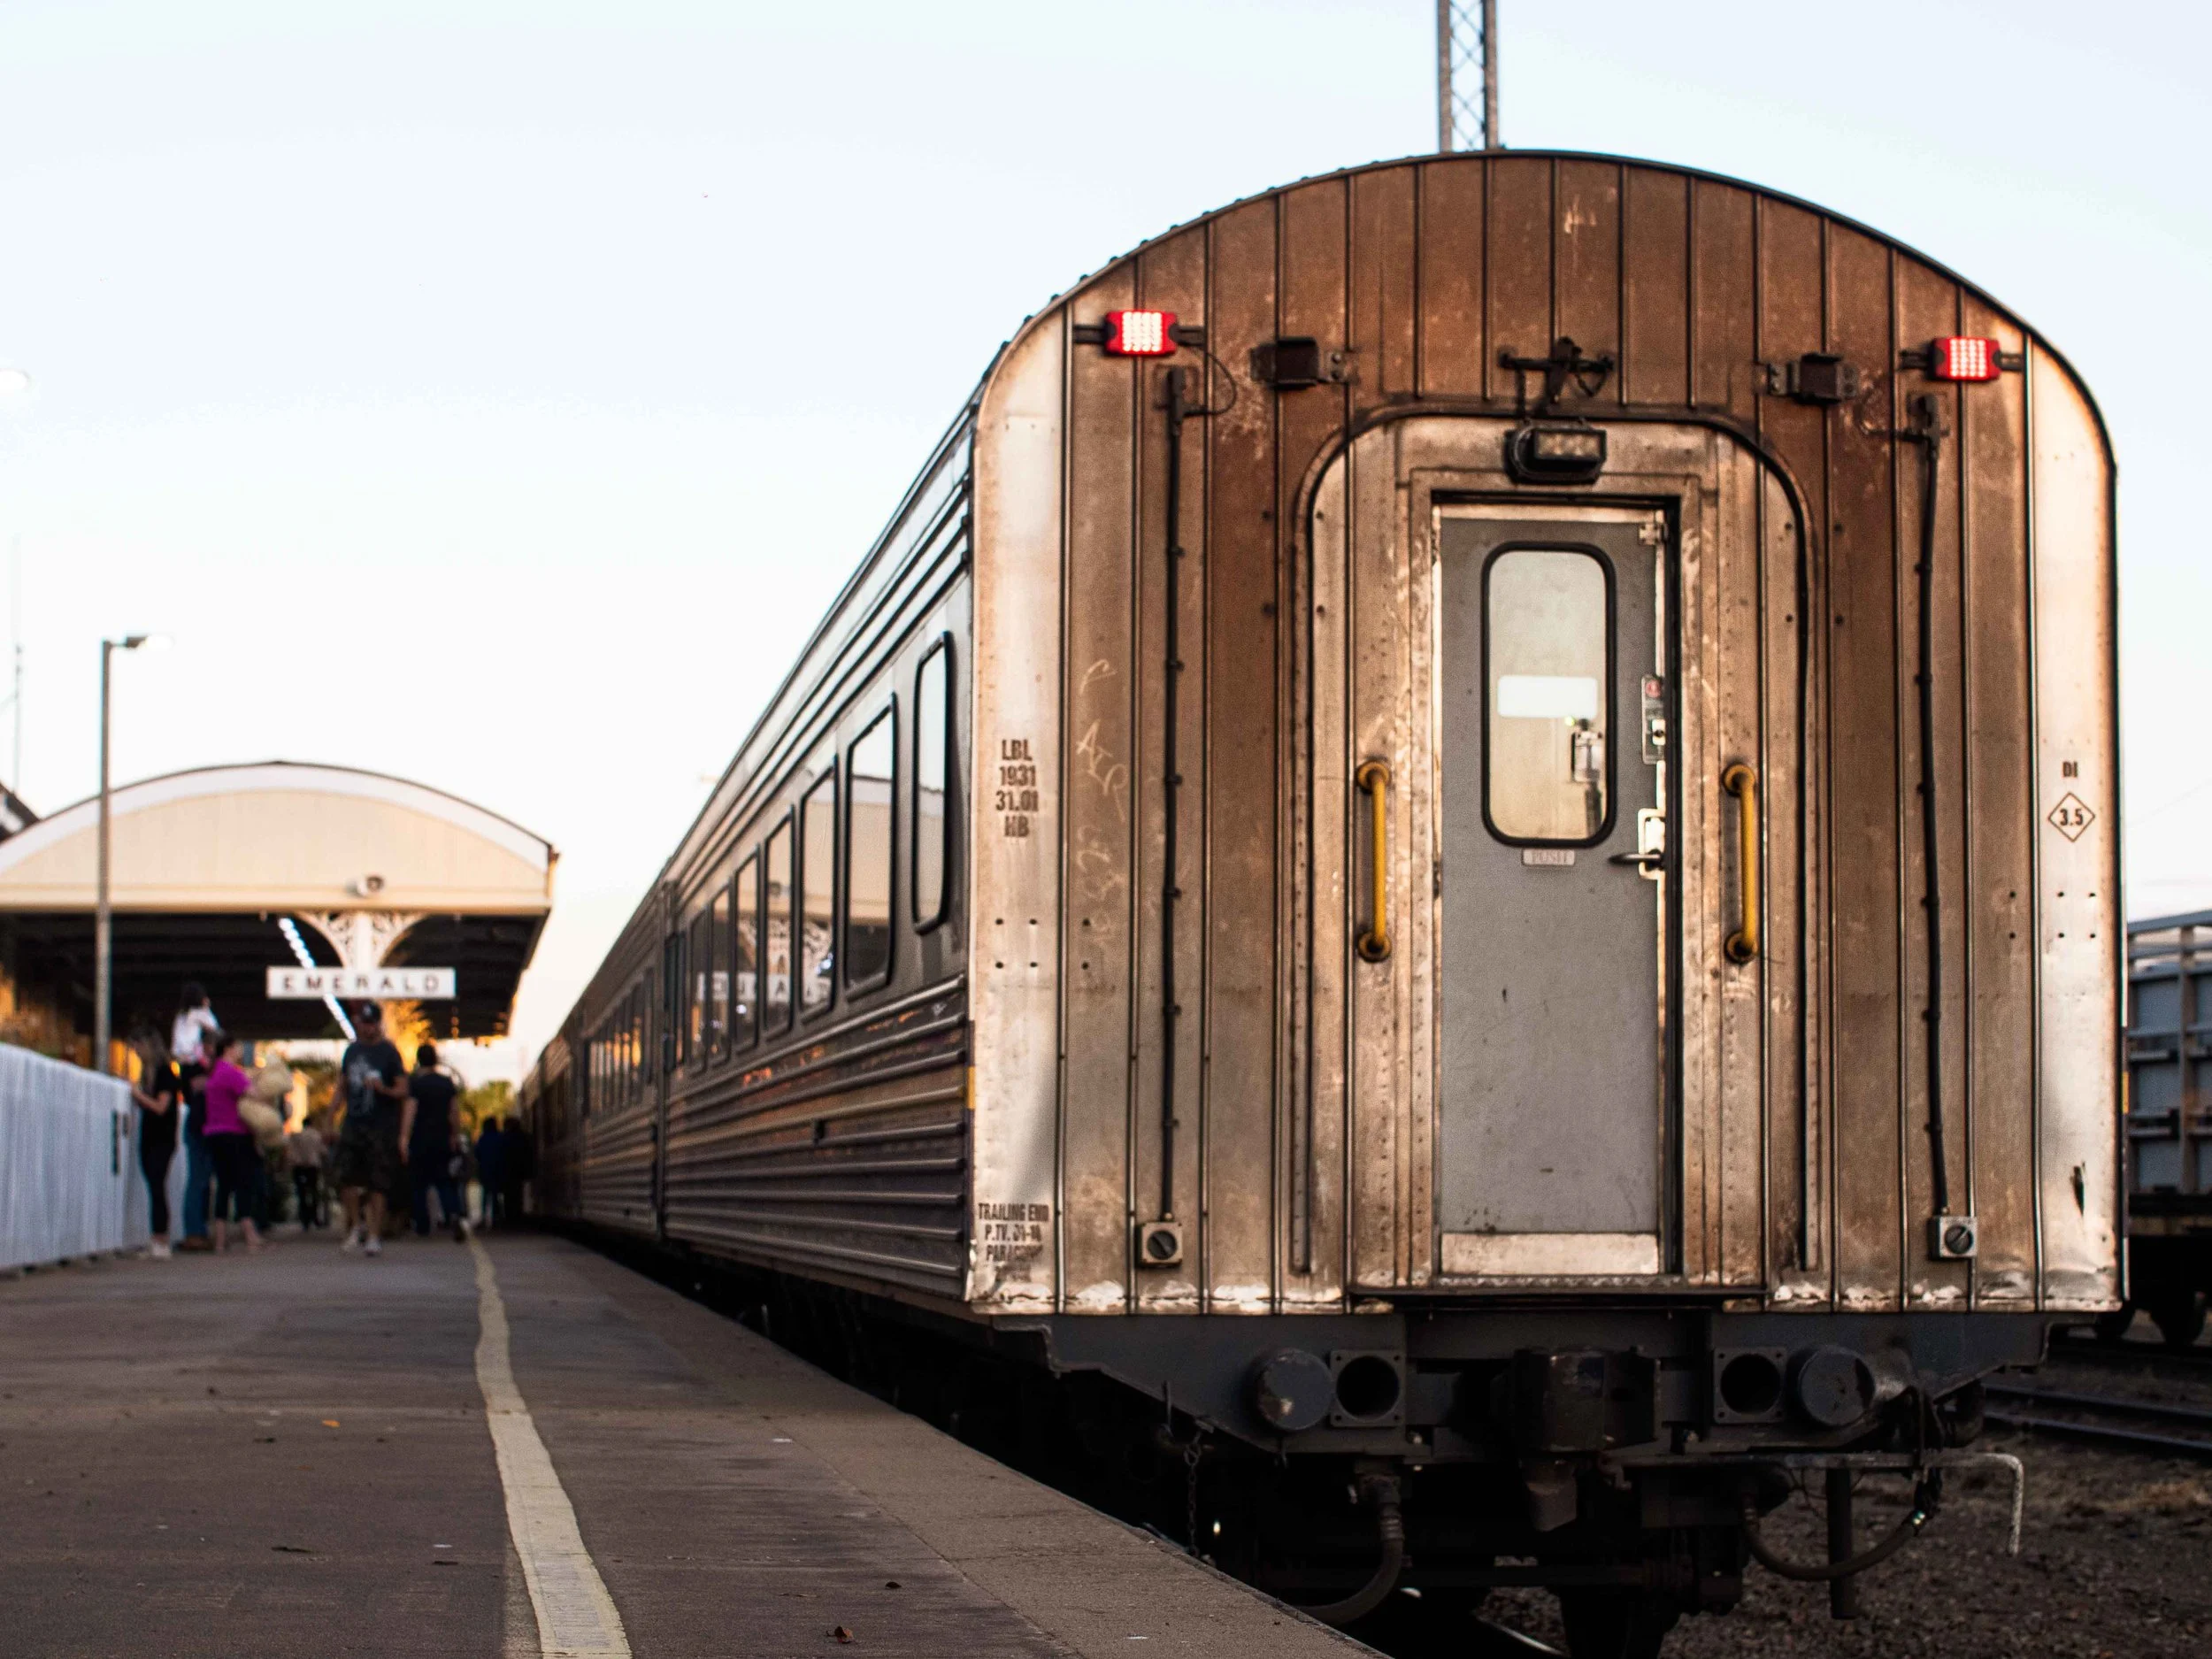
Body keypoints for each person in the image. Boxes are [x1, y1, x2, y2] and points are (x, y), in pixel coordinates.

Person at [332, 1003, 408, 1257]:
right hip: (353, 1123)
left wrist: (383, 1090)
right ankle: (356, 1224)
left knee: (378, 1182)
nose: (368, 1028)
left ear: (378, 1024)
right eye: (364, 1023)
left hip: (381, 1126)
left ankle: (375, 1234)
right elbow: (342, 1085)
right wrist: (331, 1114)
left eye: (372, 1023)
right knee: (346, 1178)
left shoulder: (389, 1053)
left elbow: (403, 1090)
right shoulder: (352, 1051)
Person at [199, 1032, 264, 1254]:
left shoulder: (214, 1072)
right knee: (242, 1183)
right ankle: (250, 1237)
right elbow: (253, 1094)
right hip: (235, 1134)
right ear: (228, 1048)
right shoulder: (230, 1073)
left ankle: (220, 1241)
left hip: (214, 1134)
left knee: (223, 1186)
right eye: (238, 1048)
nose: (240, 1052)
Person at [402, 1042, 468, 1242]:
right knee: (445, 1181)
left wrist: (403, 1138)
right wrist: (455, 1136)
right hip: (442, 1139)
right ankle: (454, 1214)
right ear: (435, 1059)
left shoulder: (416, 1084)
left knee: (419, 1184)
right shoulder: (446, 1083)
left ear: (418, 1060)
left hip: (420, 1139)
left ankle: (422, 1225)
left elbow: (410, 1111)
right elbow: (454, 1112)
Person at [171, 983, 219, 1251]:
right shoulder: (199, 1018)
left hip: (200, 1124)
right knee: (199, 1180)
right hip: (201, 1126)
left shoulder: (180, 1022)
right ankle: (194, 1231)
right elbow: (215, 1028)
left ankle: (197, 1230)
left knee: (200, 1180)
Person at [130, 1033, 184, 1258]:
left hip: (160, 1138)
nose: (136, 1054)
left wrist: (138, 1096)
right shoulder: (151, 1074)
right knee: (155, 1187)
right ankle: (157, 1237)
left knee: (157, 1187)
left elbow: (161, 1107)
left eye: (138, 1049)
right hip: (152, 1137)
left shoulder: (164, 1074)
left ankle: (161, 1239)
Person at [286, 1114, 328, 1228]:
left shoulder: (296, 1136)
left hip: (299, 1166)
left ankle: (305, 1218)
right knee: (313, 1192)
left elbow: (290, 1152)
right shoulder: (316, 1136)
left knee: (301, 1193)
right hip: (312, 1166)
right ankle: (314, 1217)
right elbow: (323, 1151)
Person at [473, 1115, 508, 1228]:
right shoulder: (501, 1137)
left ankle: (484, 1218)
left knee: (485, 1195)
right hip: (498, 1170)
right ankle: (496, 1218)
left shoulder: (483, 1138)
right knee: (495, 1195)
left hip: (485, 1170)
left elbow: (477, 1153)